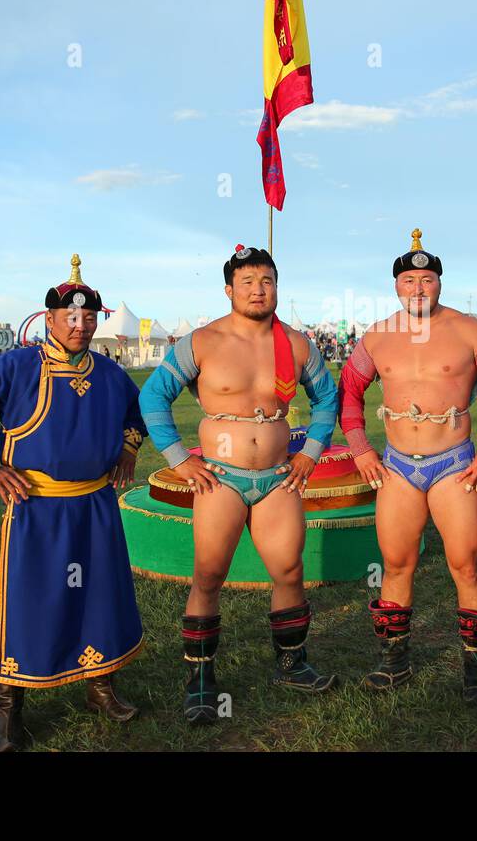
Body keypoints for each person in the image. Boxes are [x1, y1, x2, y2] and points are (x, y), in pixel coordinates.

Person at [0, 254, 147, 751]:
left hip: (95, 505)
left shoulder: (110, 373)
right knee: (29, 603)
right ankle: (8, 714)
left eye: (89, 317)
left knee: (100, 596)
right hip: (36, 509)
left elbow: (136, 414)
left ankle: (101, 687)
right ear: (50, 319)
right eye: (70, 317)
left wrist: (127, 448)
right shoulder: (16, 367)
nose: (79, 325)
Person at [139, 244, 339, 724]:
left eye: (267, 281)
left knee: (289, 571)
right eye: (247, 282)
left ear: (277, 287)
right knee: (209, 575)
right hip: (220, 479)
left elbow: (327, 398)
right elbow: (153, 397)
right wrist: (179, 459)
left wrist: (311, 452)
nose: (258, 290)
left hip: (277, 477)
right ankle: (201, 682)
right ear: (229, 289)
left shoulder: (295, 343)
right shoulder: (202, 342)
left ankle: (293, 665)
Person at [338, 229, 477, 705]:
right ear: (396, 286)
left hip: (455, 464)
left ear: (440, 283)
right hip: (398, 466)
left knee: (467, 566)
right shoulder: (377, 337)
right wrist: (360, 448)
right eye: (408, 280)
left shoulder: (471, 330)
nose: (418, 288)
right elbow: (348, 394)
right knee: (397, 565)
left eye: (427, 280)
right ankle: (394, 661)